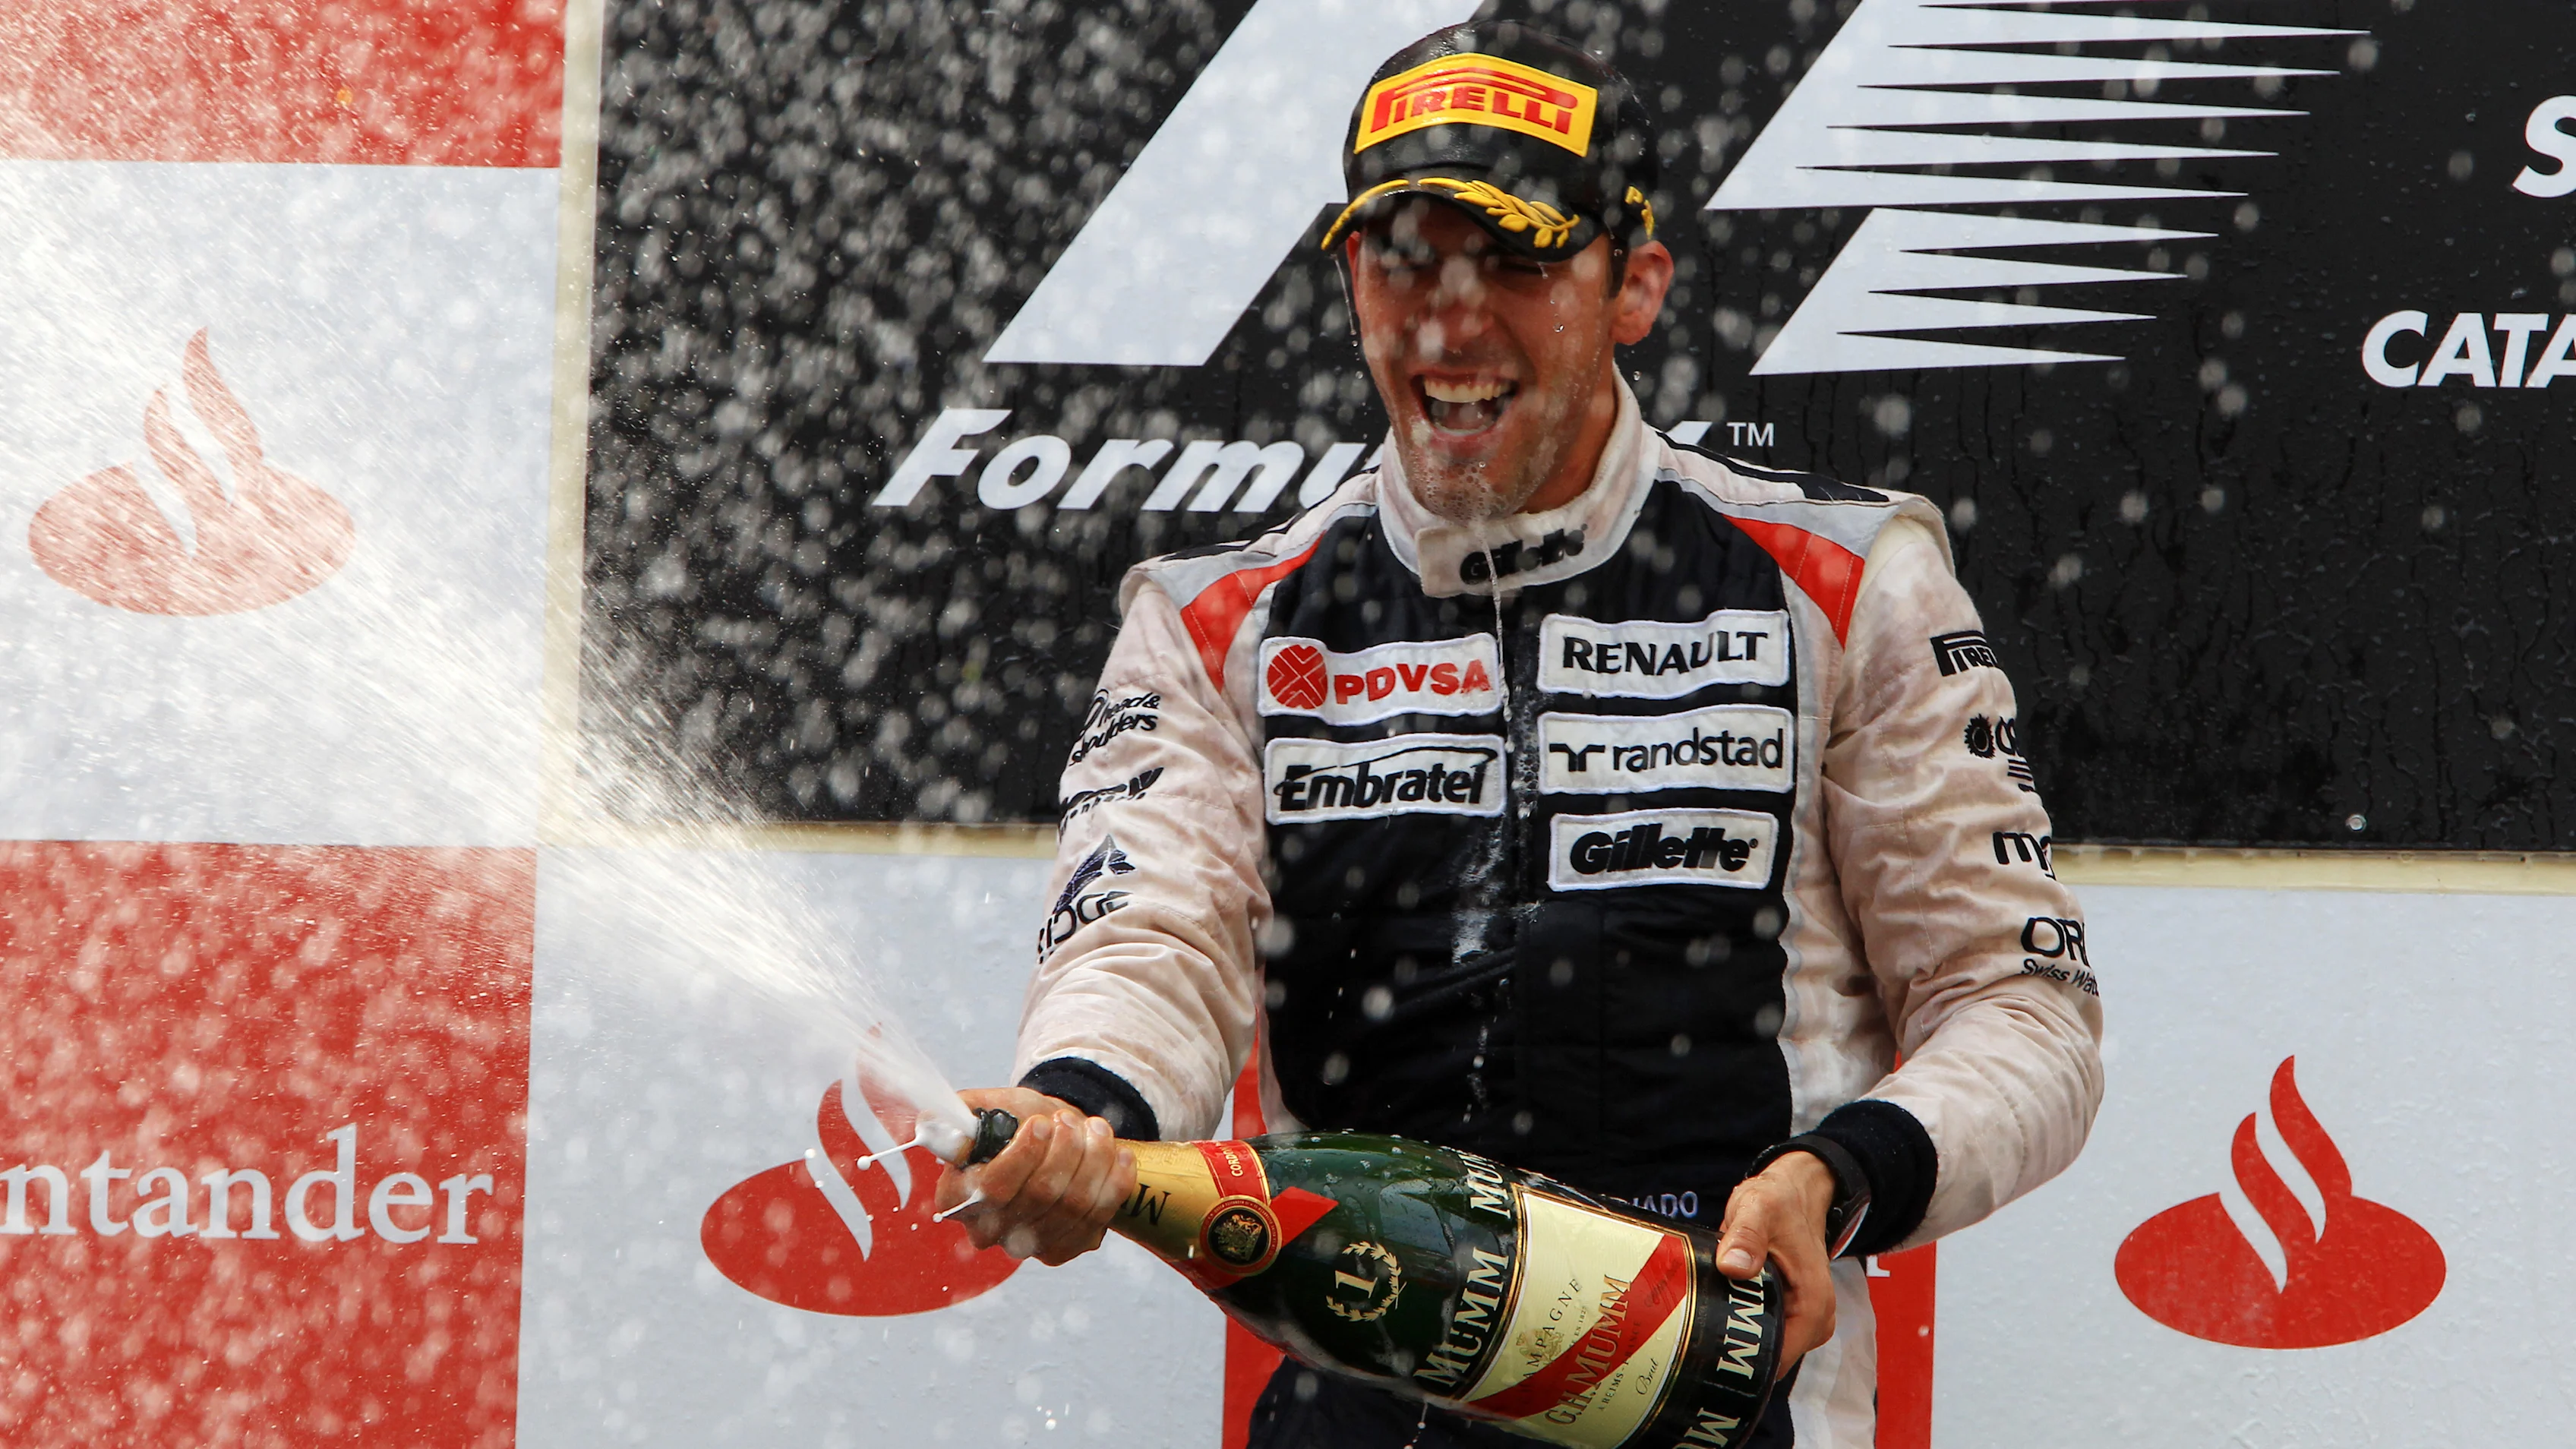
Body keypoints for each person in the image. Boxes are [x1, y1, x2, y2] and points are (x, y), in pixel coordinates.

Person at [935, 22, 2102, 1448]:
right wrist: (1080, 1111)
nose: (1449, 321)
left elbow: (2020, 1009)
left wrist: (1838, 1176)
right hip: (1365, 1397)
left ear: (1636, 283)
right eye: (1402, 258)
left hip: (1733, 1394)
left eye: (1518, 261)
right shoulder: (1219, 620)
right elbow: (1150, 944)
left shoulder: (1847, 582)